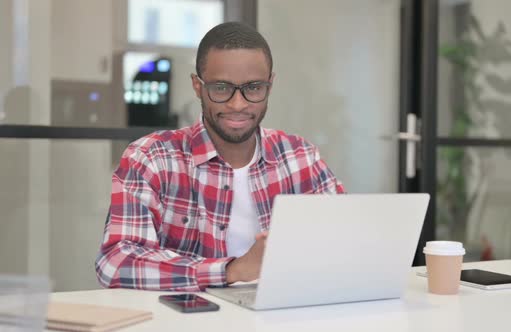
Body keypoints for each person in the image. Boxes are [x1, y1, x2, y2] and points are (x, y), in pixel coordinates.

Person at [95, 22, 345, 291]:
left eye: (253, 88)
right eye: (222, 88)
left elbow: (346, 242)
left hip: (281, 314)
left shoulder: (300, 157)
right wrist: (231, 270)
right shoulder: (151, 158)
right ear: (197, 86)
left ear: (270, 85)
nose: (238, 104)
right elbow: (116, 263)